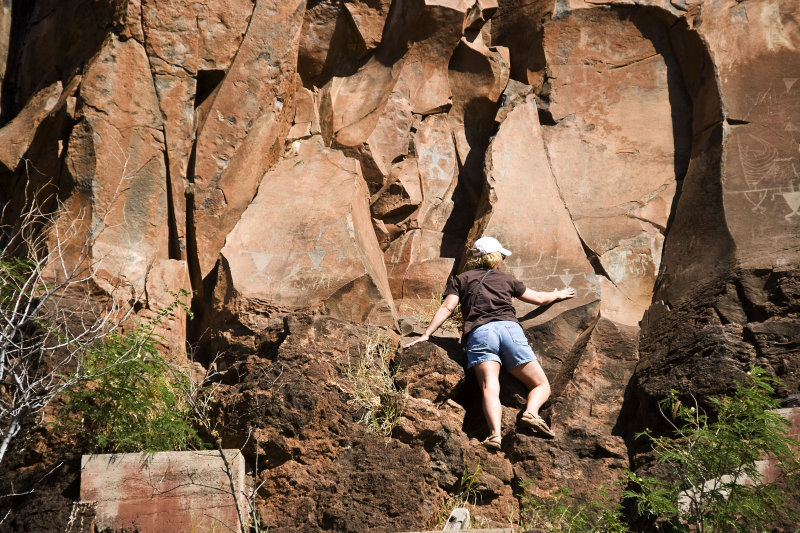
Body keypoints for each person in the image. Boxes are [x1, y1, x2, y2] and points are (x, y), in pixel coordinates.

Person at [403, 236, 575, 450]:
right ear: (495, 257)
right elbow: (538, 298)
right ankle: (531, 412)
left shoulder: (461, 279)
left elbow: (447, 308)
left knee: (490, 386)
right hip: (509, 330)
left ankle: (495, 436)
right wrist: (557, 295)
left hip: (480, 333)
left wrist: (426, 334)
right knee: (541, 384)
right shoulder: (507, 279)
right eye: (501, 256)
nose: (502, 259)